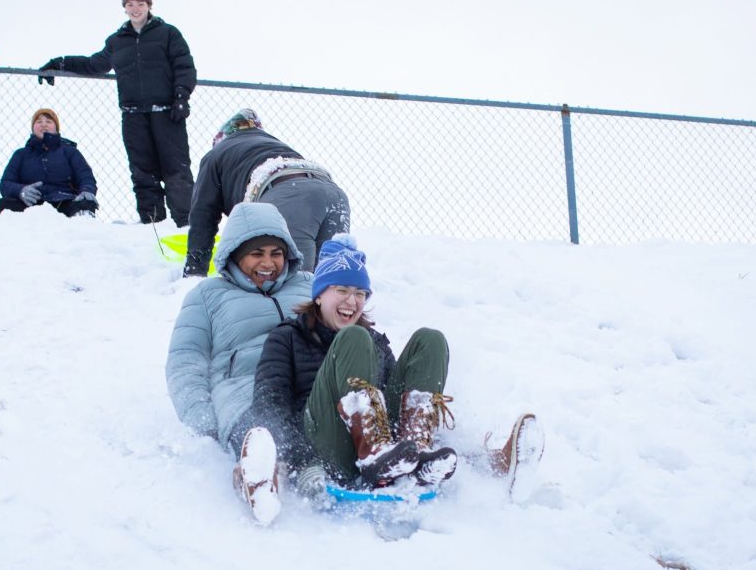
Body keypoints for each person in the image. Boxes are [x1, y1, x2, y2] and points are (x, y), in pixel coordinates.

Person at [244, 234, 545, 524]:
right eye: (343, 290)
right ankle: (375, 454)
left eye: (360, 293)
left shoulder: (374, 342)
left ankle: (419, 452)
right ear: (320, 294)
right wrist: (302, 463)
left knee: (430, 340)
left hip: (387, 453)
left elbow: (394, 399)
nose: (353, 301)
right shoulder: (287, 337)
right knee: (354, 337)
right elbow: (269, 406)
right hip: (324, 442)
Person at [165, 202, 312, 524]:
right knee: (268, 434)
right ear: (234, 254)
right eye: (256, 253)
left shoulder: (308, 285)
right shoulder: (208, 295)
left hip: (309, 380)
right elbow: (185, 359)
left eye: (276, 252)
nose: (268, 263)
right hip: (246, 390)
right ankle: (260, 474)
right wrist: (203, 418)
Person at [37, 0, 195, 227]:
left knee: (176, 171)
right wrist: (59, 63)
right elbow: (93, 64)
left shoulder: (168, 33)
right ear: (124, 8)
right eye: (130, 4)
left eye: (140, 4)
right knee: (143, 174)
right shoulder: (117, 41)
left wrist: (181, 98)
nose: (135, 8)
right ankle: (153, 226)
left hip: (167, 113)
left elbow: (184, 66)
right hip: (133, 116)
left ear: (149, 6)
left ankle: (187, 227)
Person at [184, 109, 351, 277]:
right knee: (333, 283)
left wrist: (194, 270)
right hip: (333, 194)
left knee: (294, 287)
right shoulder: (273, 143)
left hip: (290, 195)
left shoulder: (216, 154)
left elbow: (203, 215)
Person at [0, 109, 99, 218]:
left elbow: (85, 176)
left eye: (49, 121)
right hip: (29, 207)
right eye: (39, 122)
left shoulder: (70, 152)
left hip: (65, 204)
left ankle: (80, 228)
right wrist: (20, 191)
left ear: (56, 129)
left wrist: (86, 191)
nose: (43, 124)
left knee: (85, 204)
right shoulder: (20, 154)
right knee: (3, 205)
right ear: (33, 128)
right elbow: (6, 183)